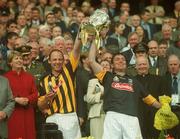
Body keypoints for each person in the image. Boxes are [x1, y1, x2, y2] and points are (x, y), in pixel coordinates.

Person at [89, 41, 161, 139]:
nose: (121, 61)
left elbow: (149, 99)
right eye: (117, 59)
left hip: (132, 118)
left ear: (126, 64)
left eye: (123, 59)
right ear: (112, 65)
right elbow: (91, 61)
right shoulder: (107, 76)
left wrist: (164, 107)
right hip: (113, 116)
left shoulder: (135, 81)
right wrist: (94, 39)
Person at [38, 35, 82, 139]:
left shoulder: (69, 71)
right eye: (54, 60)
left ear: (63, 61)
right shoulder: (43, 80)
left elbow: (76, 49)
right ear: (49, 61)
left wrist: (82, 31)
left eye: (59, 59)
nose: (57, 62)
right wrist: (47, 98)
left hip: (69, 117)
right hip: (51, 119)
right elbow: (40, 106)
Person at [4, 51, 38, 139]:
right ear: (10, 63)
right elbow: (2, 96)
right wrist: (15, 99)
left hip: (28, 114)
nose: (19, 60)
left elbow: (35, 94)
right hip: (13, 114)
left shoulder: (29, 77)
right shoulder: (5, 78)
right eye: (16, 58)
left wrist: (28, 99)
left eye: (20, 58)